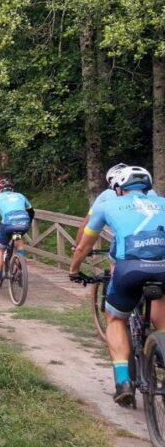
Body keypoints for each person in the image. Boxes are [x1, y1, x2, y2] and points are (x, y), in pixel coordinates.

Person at [69, 166, 165, 407]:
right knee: (162, 312)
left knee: (115, 319)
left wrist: (74, 270)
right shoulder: (162, 202)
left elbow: (83, 247)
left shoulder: (106, 205)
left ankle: (123, 382)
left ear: (118, 189)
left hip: (129, 270)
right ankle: (161, 350)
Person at [75, 163, 158, 272]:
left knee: (114, 258)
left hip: (128, 241)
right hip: (156, 238)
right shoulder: (151, 192)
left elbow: (87, 222)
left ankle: (113, 285)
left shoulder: (106, 195)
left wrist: (77, 245)